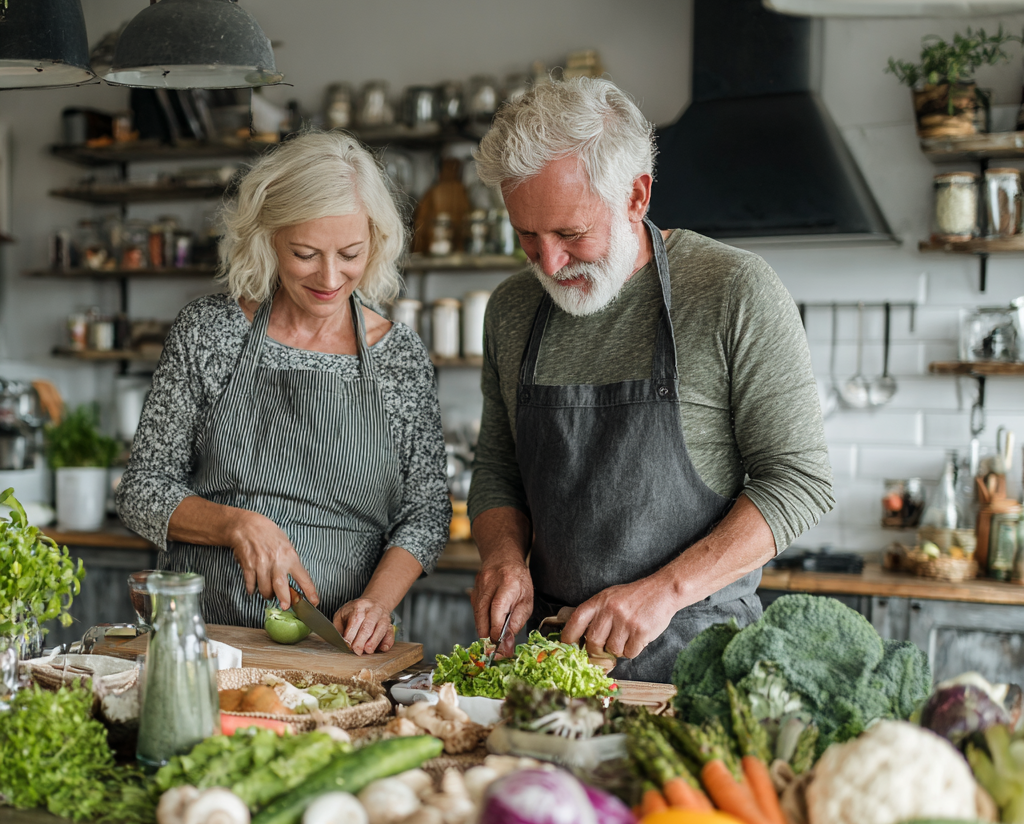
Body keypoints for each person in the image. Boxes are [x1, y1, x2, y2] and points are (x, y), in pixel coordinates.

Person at [467, 78, 834, 683]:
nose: (549, 262)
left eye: (570, 233)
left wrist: (664, 591)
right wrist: (504, 558)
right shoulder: (511, 309)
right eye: (527, 236)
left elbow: (799, 481)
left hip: (697, 662)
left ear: (636, 195)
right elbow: (499, 466)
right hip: (551, 664)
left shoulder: (732, 291)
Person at [117, 131, 450, 654]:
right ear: (269, 238)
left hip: (337, 645)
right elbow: (142, 491)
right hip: (204, 641)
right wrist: (236, 525)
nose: (330, 276)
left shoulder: (399, 356)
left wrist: (378, 604)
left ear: (377, 242)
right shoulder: (209, 332)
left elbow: (426, 513)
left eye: (350, 253)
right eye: (305, 253)